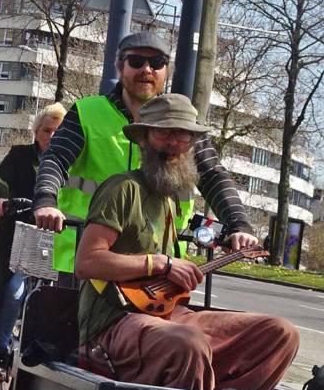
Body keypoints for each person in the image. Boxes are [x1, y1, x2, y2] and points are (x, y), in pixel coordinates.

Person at [74, 94, 298, 390]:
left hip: (168, 316)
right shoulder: (123, 188)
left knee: (281, 333)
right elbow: (87, 262)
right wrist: (162, 264)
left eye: (183, 135)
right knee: (188, 344)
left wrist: (235, 234)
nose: (173, 143)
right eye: (163, 133)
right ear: (144, 138)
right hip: (114, 321)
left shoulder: (169, 199)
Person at [33, 31, 259, 268]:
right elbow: (55, 159)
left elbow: (214, 176)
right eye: (136, 61)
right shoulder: (87, 112)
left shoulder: (181, 120)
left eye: (157, 62)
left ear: (166, 70)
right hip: (86, 261)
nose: (147, 69)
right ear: (120, 66)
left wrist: (239, 225)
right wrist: (46, 200)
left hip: (162, 268)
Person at [0, 103, 67, 382]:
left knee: (57, 297)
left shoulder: (73, 162)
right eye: (47, 130)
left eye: (58, 131)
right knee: (14, 291)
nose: (52, 136)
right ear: (36, 132)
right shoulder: (20, 155)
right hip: (19, 234)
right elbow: (1, 180)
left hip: (58, 239)